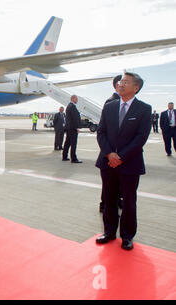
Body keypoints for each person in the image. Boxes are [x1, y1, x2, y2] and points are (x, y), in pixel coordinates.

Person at [95, 72, 152, 251]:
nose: (120, 84)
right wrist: (109, 154)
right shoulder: (109, 106)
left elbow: (141, 137)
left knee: (128, 201)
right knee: (109, 199)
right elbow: (101, 132)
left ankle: (127, 236)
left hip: (130, 164)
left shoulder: (144, 109)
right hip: (107, 162)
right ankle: (109, 232)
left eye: (125, 82)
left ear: (136, 88)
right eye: (120, 81)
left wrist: (121, 156)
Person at [99, 75, 123, 213]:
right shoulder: (111, 101)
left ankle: (116, 200)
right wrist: (110, 153)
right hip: (111, 153)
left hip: (119, 153)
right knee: (109, 183)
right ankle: (104, 204)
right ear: (116, 85)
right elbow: (104, 131)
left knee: (116, 182)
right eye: (122, 82)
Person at [62, 95, 82, 163]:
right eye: (76, 99)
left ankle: (64, 156)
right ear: (72, 99)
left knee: (67, 143)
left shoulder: (69, 106)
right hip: (72, 128)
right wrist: (77, 127)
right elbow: (75, 118)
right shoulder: (72, 106)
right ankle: (73, 158)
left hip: (69, 128)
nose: (77, 100)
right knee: (73, 143)